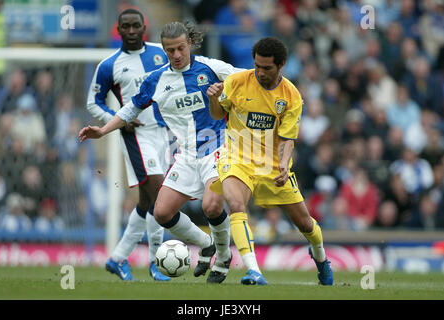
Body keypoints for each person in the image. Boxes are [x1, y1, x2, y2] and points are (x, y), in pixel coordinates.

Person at [80, 21, 244, 284]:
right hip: (186, 155)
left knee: (211, 206)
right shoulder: (156, 80)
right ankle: (208, 244)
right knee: (161, 212)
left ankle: (224, 257)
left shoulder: (212, 68)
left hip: (218, 148)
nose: (176, 55)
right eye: (170, 51)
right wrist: (103, 130)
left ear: (189, 43)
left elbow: (248, 79)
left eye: (180, 48)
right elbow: (129, 110)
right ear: (163, 50)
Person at [207, 37, 333, 285]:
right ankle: (254, 270)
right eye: (257, 66)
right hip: (237, 158)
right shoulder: (236, 82)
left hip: (272, 165)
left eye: (267, 68)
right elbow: (217, 114)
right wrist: (213, 98)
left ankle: (320, 256)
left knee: (305, 224)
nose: (260, 72)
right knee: (235, 204)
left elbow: (287, 138)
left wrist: (285, 164)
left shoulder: (291, 95)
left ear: (281, 65)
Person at [85, 8, 170, 281]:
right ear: (118, 30)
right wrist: (117, 118)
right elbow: (93, 102)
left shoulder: (162, 53)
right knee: (161, 199)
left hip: (166, 135)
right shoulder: (109, 65)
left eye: (136, 25)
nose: (131, 31)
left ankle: (117, 259)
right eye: (126, 27)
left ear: (144, 26)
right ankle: (158, 262)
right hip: (136, 136)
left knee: (146, 203)